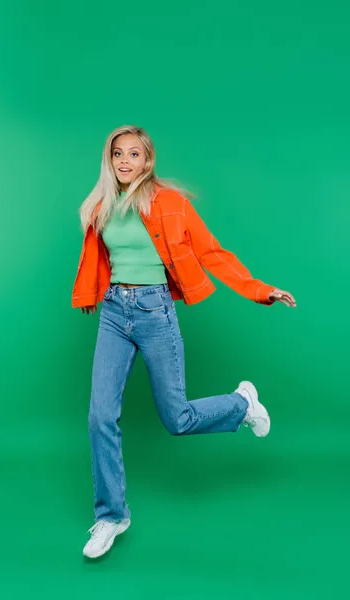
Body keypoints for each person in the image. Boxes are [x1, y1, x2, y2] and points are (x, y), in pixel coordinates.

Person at [72, 125, 296, 559]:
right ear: (110, 158)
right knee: (100, 416)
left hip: (156, 314)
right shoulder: (100, 205)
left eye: (134, 154)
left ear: (147, 160)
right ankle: (112, 516)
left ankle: (242, 404)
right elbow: (97, 260)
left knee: (177, 419)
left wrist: (260, 289)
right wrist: (89, 295)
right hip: (115, 313)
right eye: (118, 153)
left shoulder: (170, 203)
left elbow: (211, 252)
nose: (125, 161)